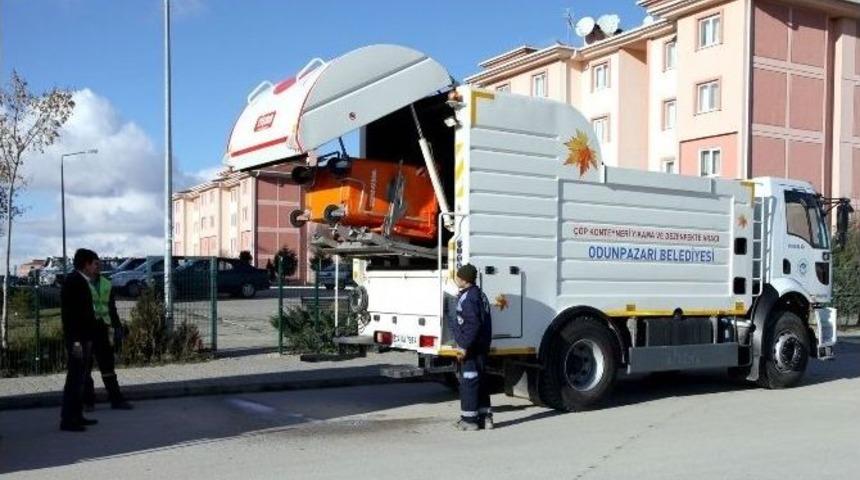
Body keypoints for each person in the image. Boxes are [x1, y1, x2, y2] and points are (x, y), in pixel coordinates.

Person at [83, 257, 133, 411]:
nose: (99, 267)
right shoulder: (79, 283)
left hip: (101, 329)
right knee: (85, 368)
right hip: (84, 330)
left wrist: (117, 327)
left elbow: (112, 308)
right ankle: (88, 402)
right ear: (87, 265)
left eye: (100, 264)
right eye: (95, 264)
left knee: (108, 367)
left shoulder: (105, 283)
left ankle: (116, 400)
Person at [59, 249, 100, 432]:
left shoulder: (82, 282)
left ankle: (77, 415)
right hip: (78, 339)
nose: (96, 268)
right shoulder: (74, 282)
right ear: (86, 264)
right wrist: (76, 341)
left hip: (84, 338)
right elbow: (70, 316)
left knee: (81, 378)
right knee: (75, 379)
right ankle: (68, 420)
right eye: (95, 264)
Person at [450, 264, 493, 431]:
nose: (455, 279)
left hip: (472, 348)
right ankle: (485, 418)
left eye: (457, 277)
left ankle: (469, 420)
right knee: (481, 380)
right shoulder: (480, 295)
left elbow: (472, 324)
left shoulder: (468, 298)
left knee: (468, 381)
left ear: (464, 279)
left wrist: (464, 346)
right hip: (482, 346)